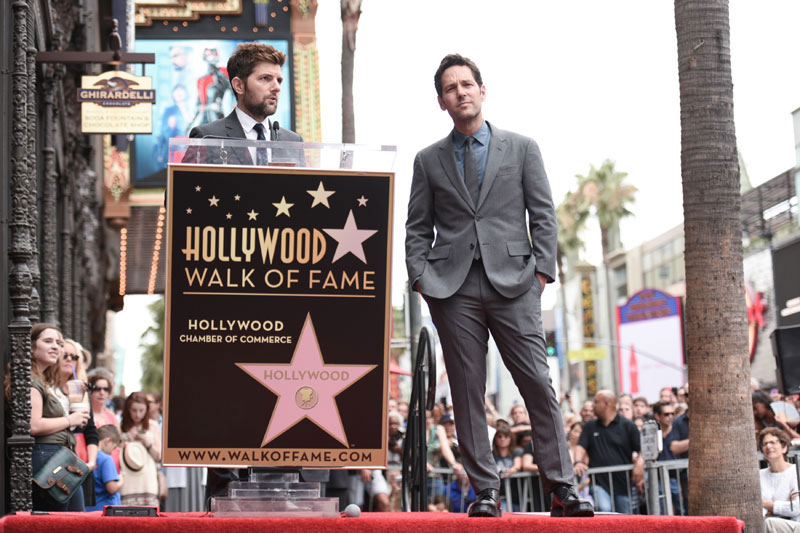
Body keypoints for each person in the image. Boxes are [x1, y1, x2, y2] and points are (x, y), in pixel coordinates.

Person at [405, 53, 592, 518]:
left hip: (516, 284)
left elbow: (543, 215)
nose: (460, 92)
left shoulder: (523, 147)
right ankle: (485, 492)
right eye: (451, 88)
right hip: (452, 290)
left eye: (467, 84)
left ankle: (562, 488)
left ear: (482, 91)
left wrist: (541, 275)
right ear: (442, 101)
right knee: (467, 392)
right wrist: (422, 278)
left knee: (538, 383)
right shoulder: (427, 160)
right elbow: (417, 227)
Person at [187, 42, 302, 166]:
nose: (277, 87)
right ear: (239, 86)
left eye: (279, 80)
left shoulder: (293, 142)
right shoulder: (207, 137)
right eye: (265, 78)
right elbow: (180, 179)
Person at [15, 324, 89, 511]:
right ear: (32, 348)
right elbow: (33, 425)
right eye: (48, 341)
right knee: (60, 520)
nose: (56, 347)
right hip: (46, 456)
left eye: (59, 343)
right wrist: (70, 420)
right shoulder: (32, 381)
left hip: (60, 455)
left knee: (75, 519)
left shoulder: (43, 381)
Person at [46, 338, 99, 511]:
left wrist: (91, 462)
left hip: (76, 459)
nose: (70, 359)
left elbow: (91, 431)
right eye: (66, 355)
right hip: (54, 457)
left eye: (74, 357)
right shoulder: (48, 389)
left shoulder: (80, 391)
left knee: (77, 514)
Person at [573, 390, 644, 513]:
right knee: (604, 510)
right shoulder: (590, 426)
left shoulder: (628, 425)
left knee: (624, 517)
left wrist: (639, 464)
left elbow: (642, 449)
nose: (593, 405)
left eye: (596, 402)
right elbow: (580, 446)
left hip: (623, 484)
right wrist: (578, 461)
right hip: (598, 483)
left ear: (607, 403)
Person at [120, 392, 161, 506]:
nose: (137, 414)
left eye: (141, 410)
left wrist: (148, 444)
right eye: (134, 410)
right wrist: (125, 438)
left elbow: (159, 457)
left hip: (147, 480)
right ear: (128, 409)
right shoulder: (120, 426)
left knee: (149, 514)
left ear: (147, 410)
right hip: (127, 479)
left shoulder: (153, 426)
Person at [758, 428, 800, 532]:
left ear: (784, 447)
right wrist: (783, 505)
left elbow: (795, 508)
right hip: (769, 526)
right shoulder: (760, 475)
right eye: (765, 444)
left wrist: (767, 505)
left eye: (772, 442)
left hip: (795, 525)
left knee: (770, 523)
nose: (768, 446)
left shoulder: (796, 471)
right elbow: (759, 511)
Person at [653, 401, 682, 514]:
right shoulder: (653, 432)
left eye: (672, 414)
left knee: (682, 510)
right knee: (662, 512)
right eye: (666, 414)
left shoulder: (678, 429)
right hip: (658, 478)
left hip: (677, 477)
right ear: (657, 416)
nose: (670, 417)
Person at [86, 425, 124, 512]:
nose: (111, 453)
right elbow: (111, 488)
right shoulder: (106, 459)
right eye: (113, 448)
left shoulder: (88, 456)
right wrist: (121, 481)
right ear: (108, 441)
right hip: (107, 510)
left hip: (91, 508)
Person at [491, 424, 522, 511]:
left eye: (506, 436)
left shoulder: (517, 451)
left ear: (510, 438)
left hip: (516, 493)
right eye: (499, 436)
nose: (502, 439)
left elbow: (517, 466)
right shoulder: (491, 454)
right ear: (495, 439)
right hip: (500, 494)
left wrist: (510, 471)